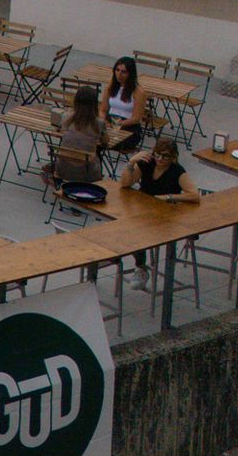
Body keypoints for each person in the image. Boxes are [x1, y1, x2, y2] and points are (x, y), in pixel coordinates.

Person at [121, 136, 200, 288]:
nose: (160, 159)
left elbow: (194, 195)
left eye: (165, 156)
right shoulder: (147, 163)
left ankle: (141, 267)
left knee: (137, 231)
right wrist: (132, 162)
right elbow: (125, 183)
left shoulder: (177, 171)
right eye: (157, 154)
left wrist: (169, 197)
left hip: (164, 218)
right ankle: (137, 264)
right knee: (126, 227)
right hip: (144, 211)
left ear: (173, 157)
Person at [51, 84, 105, 185]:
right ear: (94, 104)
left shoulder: (66, 117)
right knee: (97, 153)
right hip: (87, 172)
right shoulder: (99, 123)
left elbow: (59, 130)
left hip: (62, 168)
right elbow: (105, 141)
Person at [104, 55, 147, 152]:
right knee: (93, 139)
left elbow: (136, 118)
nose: (119, 74)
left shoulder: (138, 92)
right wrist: (105, 122)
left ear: (130, 74)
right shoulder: (110, 87)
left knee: (110, 141)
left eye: (123, 72)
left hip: (129, 126)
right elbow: (102, 110)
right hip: (110, 121)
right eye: (117, 70)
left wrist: (118, 125)